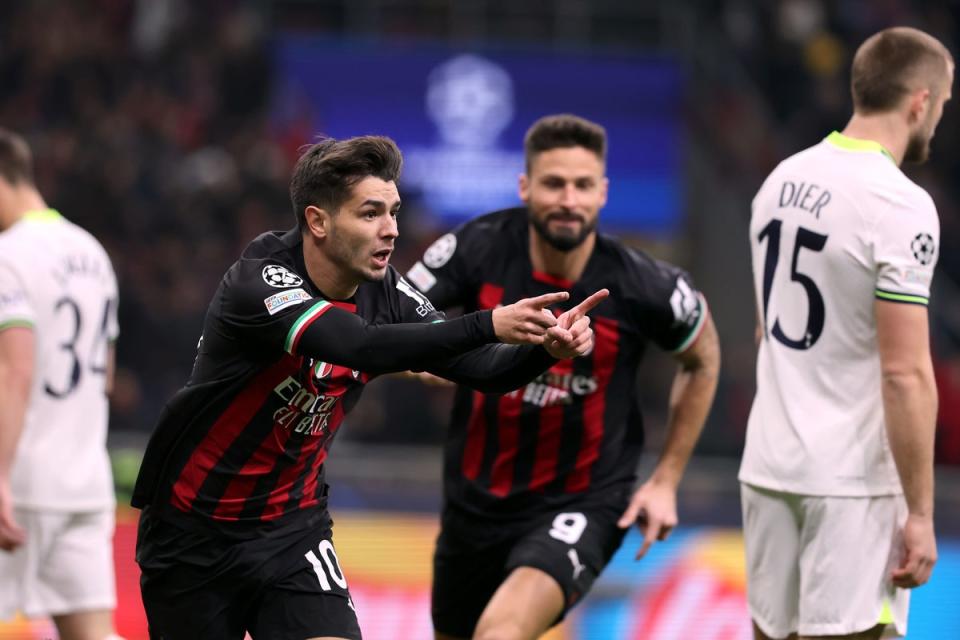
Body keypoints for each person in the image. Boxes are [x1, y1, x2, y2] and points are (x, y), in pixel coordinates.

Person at [131, 134, 605, 640]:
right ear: (318, 221)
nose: (391, 231)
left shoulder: (387, 290)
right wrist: (488, 322)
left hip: (291, 530)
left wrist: (544, 350)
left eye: (394, 213)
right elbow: (358, 345)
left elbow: (481, 369)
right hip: (191, 531)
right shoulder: (259, 283)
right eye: (371, 214)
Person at [404, 114, 721, 640]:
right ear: (525, 187)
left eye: (582, 185)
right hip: (474, 502)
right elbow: (391, 317)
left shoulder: (645, 285)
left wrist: (665, 480)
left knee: (500, 633)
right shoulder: (476, 248)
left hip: (582, 499)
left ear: (603, 194)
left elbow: (703, 359)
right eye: (553, 183)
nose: (568, 200)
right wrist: (434, 350)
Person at [739, 26, 952, 640]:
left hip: (769, 466)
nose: (938, 119)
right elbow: (905, 373)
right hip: (850, 489)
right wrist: (920, 513)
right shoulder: (899, 204)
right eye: (942, 104)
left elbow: (764, 334)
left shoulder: (778, 180)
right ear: (919, 101)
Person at [0, 130, 123, 640]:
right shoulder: (91, 251)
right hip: (83, 482)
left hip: (18, 481)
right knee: (93, 632)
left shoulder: (6, 255)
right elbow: (108, 376)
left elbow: (15, 368)